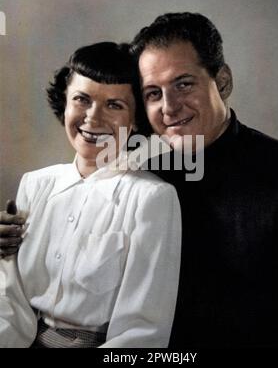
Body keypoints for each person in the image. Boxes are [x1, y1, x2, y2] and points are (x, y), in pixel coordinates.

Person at [130, 12, 278, 347]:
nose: (169, 107)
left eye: (183, 84)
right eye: (153, 93)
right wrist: (17, 242)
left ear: (222, 82)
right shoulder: (140, 178)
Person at [0, 42, 181, 348]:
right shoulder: (34, 184)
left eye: (114, 105)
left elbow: (143, 332)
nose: (93, 119)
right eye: (82, 99)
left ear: (135, 119)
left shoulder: (152, 199)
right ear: (65, 103)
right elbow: (9, 304)